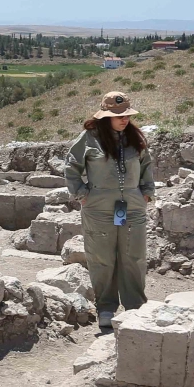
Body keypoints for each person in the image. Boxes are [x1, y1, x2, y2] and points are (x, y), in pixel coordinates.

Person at [64, 91, 154, 330]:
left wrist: (147, 189)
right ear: (105, 117)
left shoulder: (135, 137)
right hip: (98, 210)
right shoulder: (90, 138)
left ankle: (135, 307)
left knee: (134, 257)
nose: (124, 119)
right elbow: (71, 165)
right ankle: (106, 307)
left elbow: (146, 164)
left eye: (126, 114)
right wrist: (81, 193)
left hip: (132, 207)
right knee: (102, 259)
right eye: (118, 115)